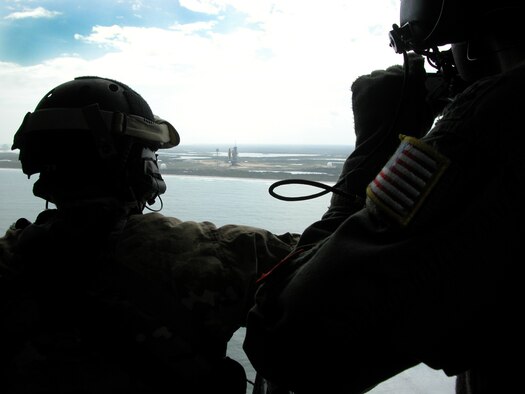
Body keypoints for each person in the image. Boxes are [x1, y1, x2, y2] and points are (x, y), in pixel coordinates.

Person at [243, 1, 525, 393]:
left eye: (443, 52)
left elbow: (285, 341)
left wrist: (371, 155)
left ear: (472, 39)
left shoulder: (499, 120)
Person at [0, 76, 299, 393]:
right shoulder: (215, 254)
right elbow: (328, 267)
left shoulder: (9, 259)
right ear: (139, 166)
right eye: (150, 153)